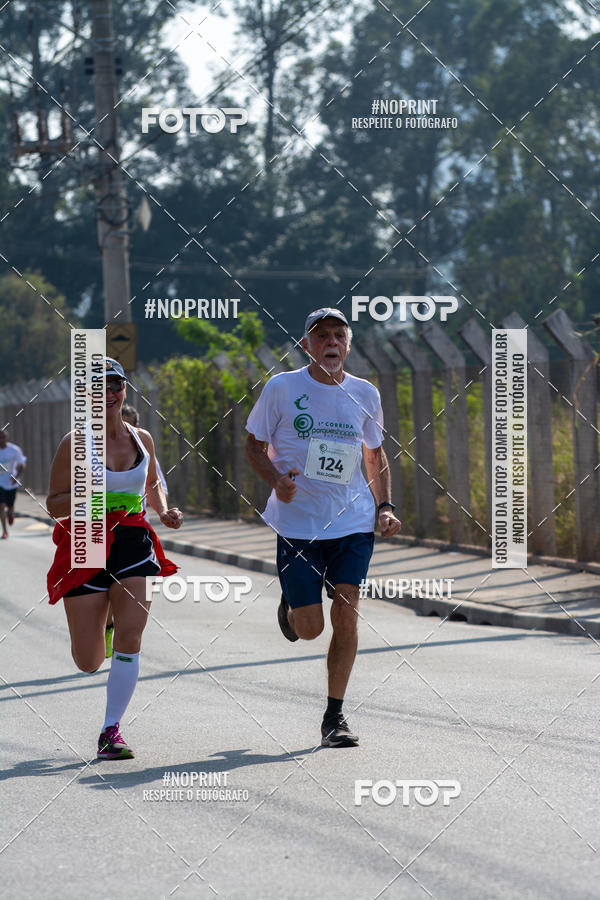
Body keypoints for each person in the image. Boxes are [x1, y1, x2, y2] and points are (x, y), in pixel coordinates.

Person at [245, 308, 402, 748]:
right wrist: (276, 480)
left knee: (347, 611)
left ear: (348, 345)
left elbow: (374, 455)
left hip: (352, 522)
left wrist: (384, 506)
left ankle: (334, 716)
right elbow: (253, 445)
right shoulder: (282, 388)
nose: (331, 342)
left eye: (339, 335)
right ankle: (293, 606)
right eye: (322, 336)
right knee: (310, 628)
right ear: (307, 345)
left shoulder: (365, 393)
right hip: (297, 524)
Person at [46, 358, 184, 760]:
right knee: (87, 661)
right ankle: (100, 628)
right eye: (98, 388)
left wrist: (163, 510)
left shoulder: (142, 438)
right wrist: (87, 497)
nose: (108, 394)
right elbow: (54, 504)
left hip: (133, 539)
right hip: (86, 540)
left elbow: (154, 481)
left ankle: (111, 730)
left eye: (115, 385)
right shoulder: (74, 443)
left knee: (133, 634)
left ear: (125, 390)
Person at [0, 429, 27, 539]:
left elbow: (22, 464)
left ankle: (11, 513)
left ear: (7, 438)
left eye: (3, 437)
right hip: (0, 483)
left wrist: (16, 477)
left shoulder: (14, 450)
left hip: (11, 482)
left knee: (10, 505)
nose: (1, 439)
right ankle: (5, 531)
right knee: (1, 506)